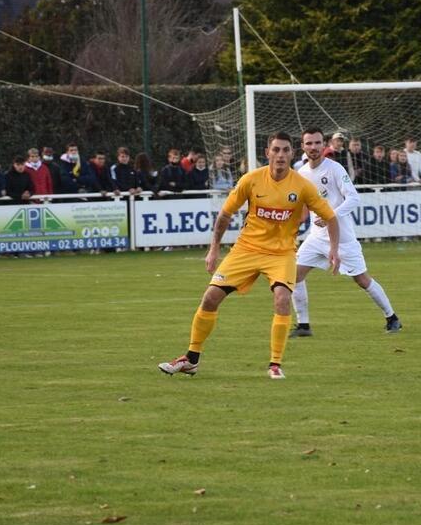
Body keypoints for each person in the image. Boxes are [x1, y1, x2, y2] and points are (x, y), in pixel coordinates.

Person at [158, 131, 340, 380]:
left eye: (285, 150)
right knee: (210, 298)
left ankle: (275, 364)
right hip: (247, 249)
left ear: (291, 154)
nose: (280, 155)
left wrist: (334, 249)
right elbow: (224, 215)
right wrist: (214, 249)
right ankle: (191, 359)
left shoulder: (302, 186)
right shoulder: (251, 180)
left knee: (282, 298)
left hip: (281, 253)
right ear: (268, 153)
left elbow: (330, 216)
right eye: (275, 150)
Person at [290, 128, 401, 338]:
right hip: (316, 237)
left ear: (324, 145)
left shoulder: (335, 168)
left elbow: (353, 198)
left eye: (317, 143)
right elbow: (303, 207)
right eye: (309, 143)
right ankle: (304, 325)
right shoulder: (301, 174)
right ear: (302, 147)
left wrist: (330, 214)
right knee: (294, 275)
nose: (313, 147)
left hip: (343, 237)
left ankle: (392, 317)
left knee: (362, 279)